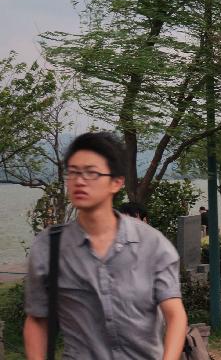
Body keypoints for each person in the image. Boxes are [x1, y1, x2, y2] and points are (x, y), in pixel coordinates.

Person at [24, 132, 187, 360]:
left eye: (91, 173)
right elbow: (37, 319)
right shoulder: (49, 246)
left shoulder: (153, 244)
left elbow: (175, 315)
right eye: (73, 172)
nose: (80, 181)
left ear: (116, 182)